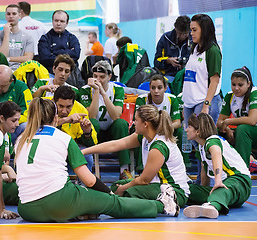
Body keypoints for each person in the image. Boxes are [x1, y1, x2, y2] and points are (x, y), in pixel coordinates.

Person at [14, 97, 180, 222]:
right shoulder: (62, 138)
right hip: (60, 203)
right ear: (56, 118)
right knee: (112, 203)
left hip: (27, 209)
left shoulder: (20, 139)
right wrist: (108, 194)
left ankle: (80, 213)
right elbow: (89, 180)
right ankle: (163, 205)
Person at [82, 104, 190, 209]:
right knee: (117, 186)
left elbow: (144, 180)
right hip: (156, 186)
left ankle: (165, 206)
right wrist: (83, 152)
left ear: (145, 124)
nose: (134, 123)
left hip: (174, 191)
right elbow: (115, 144)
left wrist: (124, 188)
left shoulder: (158, 146)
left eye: (136, 120)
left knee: (129, 192)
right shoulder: (144, 137)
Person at [183, 113, 251, 219]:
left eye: (189, 127)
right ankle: (171, 200)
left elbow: (216, 155)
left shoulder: (212, 140)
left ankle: (211, 206)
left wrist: (218, 180)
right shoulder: (201, 148)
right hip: (226, 187)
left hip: (240, 181)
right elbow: (204, 172)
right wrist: (203, 191)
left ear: (198, 131)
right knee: (186, 189)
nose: (186, 130)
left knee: (221, 189)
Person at [78, 60, 131, 179]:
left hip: (112, 131)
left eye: (102, 77)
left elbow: (116, 115)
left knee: (121, 123)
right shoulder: (85, 90)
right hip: (93, 132)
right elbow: (91, 116)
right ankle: (91, 169)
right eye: (95, 76)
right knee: (93, 123)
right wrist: (96, 92)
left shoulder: (117, 89)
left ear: (109, 77)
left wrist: (104, 94)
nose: (98, 80)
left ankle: (124, 170)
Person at [134, 74, 190, 169]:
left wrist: (162, 128)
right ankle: (141, 168)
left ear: (165, 88)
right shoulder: (142, 99)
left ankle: (185, 167)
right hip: (148, 130)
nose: (156, 91)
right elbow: (140, 122)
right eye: (153, 88)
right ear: (150, 88)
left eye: (159, 88)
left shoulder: (172, 99)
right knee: (139, 134)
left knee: (180, 132)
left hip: (166, 130)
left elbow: (177, 123)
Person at [182, 14, 222, 126]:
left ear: (204, 30)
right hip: (190, 103)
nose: (191, 33)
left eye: (194, 30)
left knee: (203, 140)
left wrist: (206, 105)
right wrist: (186, 104)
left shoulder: (213, 51)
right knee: (192, 141)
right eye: (191, 30)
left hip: (203, 101)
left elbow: (215, 80)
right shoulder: (194, 48)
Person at [217, 66, 257, 168]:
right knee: (217, 131)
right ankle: (222, 167)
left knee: (242, 129)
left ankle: (242, 170)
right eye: (233, 84)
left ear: (248, 84)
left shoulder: (255, 93)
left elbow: (252, 120)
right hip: (245, 133)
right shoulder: (229, 96)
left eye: (240, 85)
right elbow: (219, 121)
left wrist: (227, 122)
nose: (236, 88)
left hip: (253, 132)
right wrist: (226, 128)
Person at [53, 85, 98, 171]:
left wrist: (87, 133)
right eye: (61, 106)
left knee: (86, 156)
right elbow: (41, 127)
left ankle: (83, 184)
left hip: (71, 145)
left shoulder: (80, 109)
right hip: (49, 145)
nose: (64, 111)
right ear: (54, 102)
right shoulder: (46, 106)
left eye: (68, 107)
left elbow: (92, 144)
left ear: (73, 104)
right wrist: (65, 120)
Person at [0, 101, 22, 205]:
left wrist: (6, 171)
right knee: (22, 191)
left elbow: (3, 165)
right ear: (2, 119)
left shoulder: (7, 135)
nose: (17, 124)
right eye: (14, 120)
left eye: (18, 120)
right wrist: (7, 169)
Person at [0, 4, 34, 72]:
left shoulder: (28, 36)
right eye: (8, 14)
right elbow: (1, 57)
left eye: (14, 14)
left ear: (20, 15)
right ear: (5, 16)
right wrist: (6, 34)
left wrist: (8, 59)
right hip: (3, 71)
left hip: (21, 71)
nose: (11, 16)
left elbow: (28, 58)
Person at [154, 15, 191, 80]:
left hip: (188, 76)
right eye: (180, 33)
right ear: (175, 28)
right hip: (170, 75)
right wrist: (168, 61)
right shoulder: (166, 38)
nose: (182, 36)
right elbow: (156, 62)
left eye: (185, 34)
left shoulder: (193, 39)